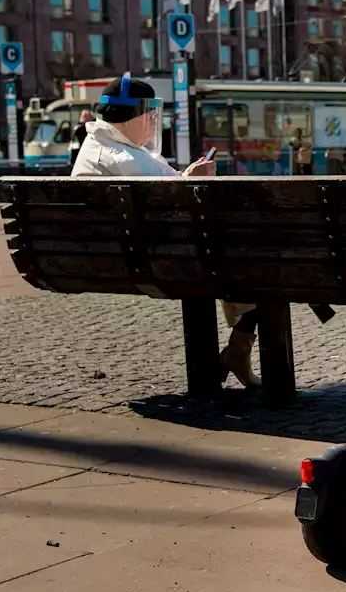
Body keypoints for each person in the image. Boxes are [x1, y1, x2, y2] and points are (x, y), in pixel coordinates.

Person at [71, 75, 264, 388]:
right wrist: (194, 179)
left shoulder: (101, 147)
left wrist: (186, 178)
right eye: (149, 117)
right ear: (133, 118)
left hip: (117, 255)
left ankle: (237, 350)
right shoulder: (126, 158)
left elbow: (160, 199)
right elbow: (173, 208)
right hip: (154, 257)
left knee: (247, 261)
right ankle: (240, 346)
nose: (152, 123)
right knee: (260, 267)